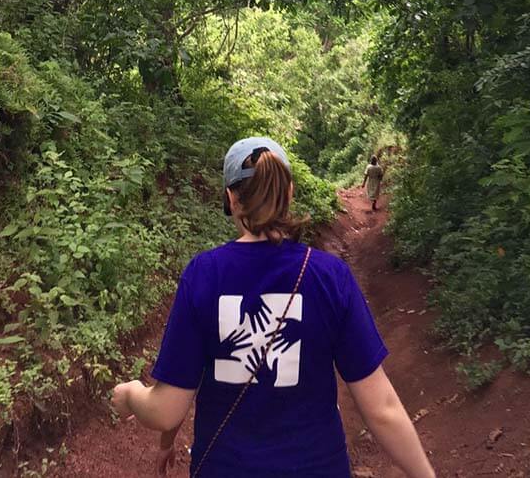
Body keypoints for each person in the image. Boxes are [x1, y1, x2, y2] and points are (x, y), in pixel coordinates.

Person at [112, 136, 436, 478]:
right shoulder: (329, 276)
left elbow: (169, 405)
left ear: (231, 199)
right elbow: (382, 409)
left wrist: (131, 395)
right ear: (290, 192)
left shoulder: (204, 274)